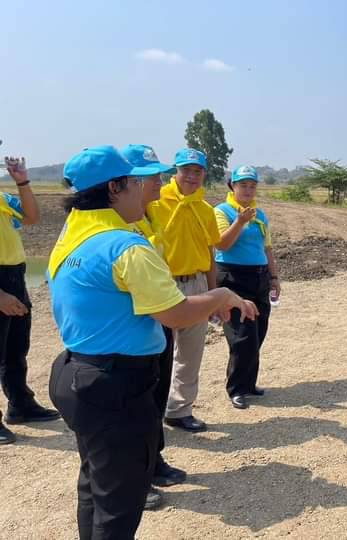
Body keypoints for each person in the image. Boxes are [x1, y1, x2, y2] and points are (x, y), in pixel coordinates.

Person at [47, 145, 258, 539]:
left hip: (75, 372)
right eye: (136, 181)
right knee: (118, 505)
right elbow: (174, 313)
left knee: (94, 485)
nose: (147, 188)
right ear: (115, 188)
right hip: (115, 385)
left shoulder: (72, 236)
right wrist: (222, 296)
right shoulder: (125, 247)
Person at [120, 144, 185, 509]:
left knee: (155, 398)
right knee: (133, 406)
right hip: (130, 328)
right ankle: (134, 479)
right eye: (151, 177)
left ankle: (152, 461)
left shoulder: (151, 215)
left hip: (156, 320)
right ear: (127, 182)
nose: (160, 182)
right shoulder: (118, 225)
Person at [147, 148, 221, 433]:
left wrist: (213, 294)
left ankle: (179, 410)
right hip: (162, 284)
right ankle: (151, 410)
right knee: (157, 351)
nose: (191, 176)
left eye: (197, 171)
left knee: (190, 353)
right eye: (186, 170)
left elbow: (209, 252)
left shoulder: (205, 210)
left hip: (196, 283)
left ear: (204, 174)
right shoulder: (155, 203)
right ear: (175, 172)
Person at [0, 155, 59, 445]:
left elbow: (32, 217)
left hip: (14, 275)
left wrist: (22, 182)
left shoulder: (3, 199)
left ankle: (20, 404)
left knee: (15, 348)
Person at [214, 165, 280, 410]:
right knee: (242, 335)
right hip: (233, 277)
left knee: (259, 331)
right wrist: (240, 221)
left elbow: (267, 248)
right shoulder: (222, 211)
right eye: (243, 185)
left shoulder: (260, 215)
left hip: (259, 276)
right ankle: (237, 388)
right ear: (232, 186)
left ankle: (249, 383)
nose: (248, 190)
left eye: (252, 186)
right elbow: (222, 244)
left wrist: (274, 277)